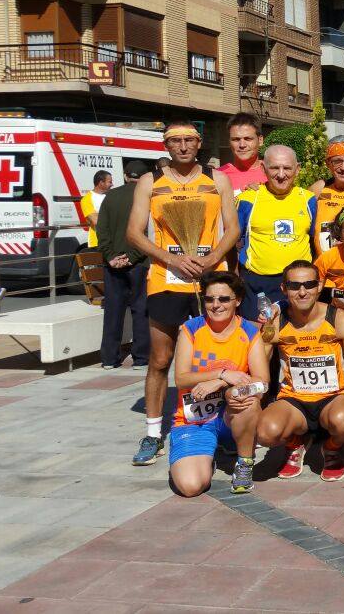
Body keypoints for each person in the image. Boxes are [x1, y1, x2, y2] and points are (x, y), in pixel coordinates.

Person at [126, 121, 240, 466]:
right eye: (175, 141)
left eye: (189, 139)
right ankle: (152, 433)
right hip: (166, 279)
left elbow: (233, 228)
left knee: (218, 356)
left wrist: (211, 259)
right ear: (166, 145)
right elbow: (134, 233)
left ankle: (220, 428)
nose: (183, 146)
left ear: (200, 143)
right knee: (161, 360)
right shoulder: (150, 182)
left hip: (209, 280)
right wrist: (171, 258)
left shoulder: (217, 180)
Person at [255, 260, 344, 488]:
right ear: (283, 289)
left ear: (319, 286)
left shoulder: (339, 318)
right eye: (294, 286)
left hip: (334, 398)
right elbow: (260, 370)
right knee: (265, 433)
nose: (302, 292)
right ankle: (294, 444)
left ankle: (332, 448)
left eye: (309, 284)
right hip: (294, 400)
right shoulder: (274, 322)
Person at [168, 271, 267, 496]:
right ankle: (205, 456)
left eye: (224, 299)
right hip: (195, 419)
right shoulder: (191, 329)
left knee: (246, 397)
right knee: (190, 487)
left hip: (232, 417)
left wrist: (222, 385)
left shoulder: (250, 332)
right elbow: (181, 378)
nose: (216, 305)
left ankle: (244, 463)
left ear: (238, 301)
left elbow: (263, 384)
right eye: (210, 299)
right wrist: (221, 375)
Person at [234, 145, 315, 319]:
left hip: (298, 284)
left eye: (287, 168)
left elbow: (316, 240)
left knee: (294, 336)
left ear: (297, 169)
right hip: (258, 283)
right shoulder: (247, 199)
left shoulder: (308, 199)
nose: (280, 174)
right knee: (261, 337)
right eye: (274, 168)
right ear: (263, 168)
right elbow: (231, 241)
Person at [96, 161, 149, 370]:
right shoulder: (147, 196)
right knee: (141, 310)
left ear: (125, 176)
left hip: (112, 264)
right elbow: (148, 232)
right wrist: (132, 256)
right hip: (140, 262)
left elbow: (102, 230)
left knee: (113, 311)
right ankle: (141, 358)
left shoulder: (111, 196)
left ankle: (109, 358)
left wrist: (111, 256)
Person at [216, 114, 268, 196]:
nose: (242, 145)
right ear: (229, 142)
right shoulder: (217, 175)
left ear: (260, 140)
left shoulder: (275, 172)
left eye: (248, 139)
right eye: (236, 139)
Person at [80, 170, 112, 248]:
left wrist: (100, 214)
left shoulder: (111, 196)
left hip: (114, 242)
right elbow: (96, 221)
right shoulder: (87, 199)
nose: (112, 184)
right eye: (110, 182)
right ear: (101, 183)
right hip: (97, 243)